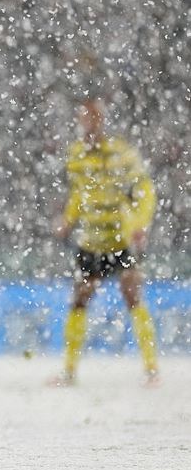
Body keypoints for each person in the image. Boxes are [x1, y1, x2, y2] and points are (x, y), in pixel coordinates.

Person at [53, 98, 158, 386]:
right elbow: (79, 192)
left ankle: (152, 370)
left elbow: (144, 189)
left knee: (132, 293)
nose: (90, 124)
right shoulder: (75, 156)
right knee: (80, 298)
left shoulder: (121, 153)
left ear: (103, 121)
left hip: (121, 237)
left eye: (94, 118)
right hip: (91, 240)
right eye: (85, 118)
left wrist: (139, 223)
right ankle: (69, 371)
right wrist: (68, 218)